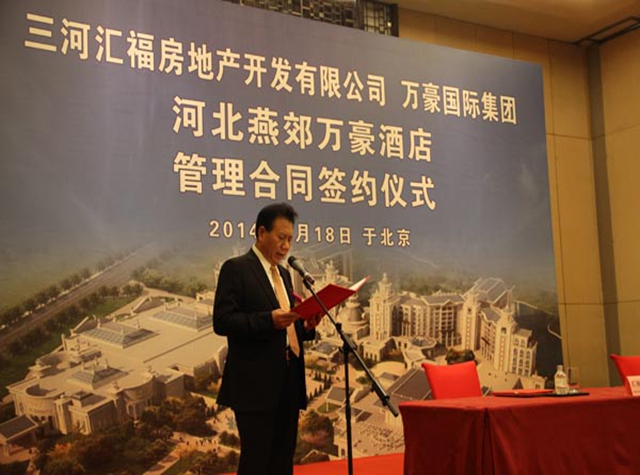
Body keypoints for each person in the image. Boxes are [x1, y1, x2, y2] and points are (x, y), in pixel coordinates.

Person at [213, 202, 322, 475]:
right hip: (255, 385)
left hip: (288, 380)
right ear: (262, 232)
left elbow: (287, 326)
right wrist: (267, 320)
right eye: (281, 237)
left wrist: (306, 326)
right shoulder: (236, 268)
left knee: (283, 458)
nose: (286, 246)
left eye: (290, 240)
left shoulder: (283, 274)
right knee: (257, 461)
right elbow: (222, 321)